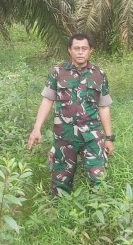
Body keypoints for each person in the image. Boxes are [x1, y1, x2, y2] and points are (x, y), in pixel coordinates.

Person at [26, 33, 114, 195]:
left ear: (91, 50)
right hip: (64, 136)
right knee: (60, 183)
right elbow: (47, 100)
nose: (80, 52)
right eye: (76, 48)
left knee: (99, 180)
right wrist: (37, 128)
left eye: (84, 48)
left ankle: (98, 208)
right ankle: (60, 209)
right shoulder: (57, 72)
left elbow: (104, 107)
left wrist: (109, 138)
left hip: (91, 136)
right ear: (69, 50)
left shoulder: (99, 74)